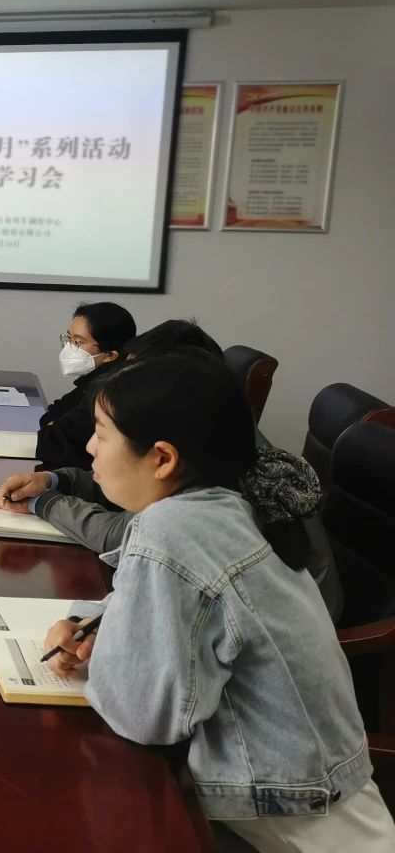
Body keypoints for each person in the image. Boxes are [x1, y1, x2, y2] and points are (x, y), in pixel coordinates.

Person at [41, 350, 395, 850]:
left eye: (101, 433)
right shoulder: (226, 503)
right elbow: (188, 606)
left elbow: (143, 717)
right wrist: (92, 622)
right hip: (323, 793)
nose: (89, 447)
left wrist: (109, 649)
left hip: (285, 817)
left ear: (163, 458)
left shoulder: (173, 529)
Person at [0, 320, 344, 622]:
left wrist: (45, 503)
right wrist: (58, 480)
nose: (128, 384)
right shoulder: (208, 443)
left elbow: (128, 535)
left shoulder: (209, 493)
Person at [36, 301, 135, 469]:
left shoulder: (109, 391)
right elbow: (50, 415)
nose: (69, 347)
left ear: (110, 355)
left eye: (78, 341)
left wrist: (55, 426)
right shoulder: (91, 380)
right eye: (69, 338)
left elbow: (51, 441)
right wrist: (54, 425)